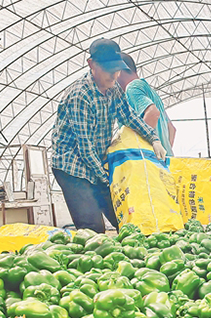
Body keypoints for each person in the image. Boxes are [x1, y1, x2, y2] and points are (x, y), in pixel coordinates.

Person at [50, 38, 167, 233]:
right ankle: (91, 244)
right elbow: (85, 148)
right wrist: (107, 180)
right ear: (92, 64)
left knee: (124, 217)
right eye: (108, 69)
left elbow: (129, 116)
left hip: (97, 162)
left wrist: (153, 138)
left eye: (117, 69)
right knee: (92, 227)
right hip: (72, 166)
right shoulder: (80, 95)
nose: (114, 75)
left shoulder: (113, 90)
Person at [116, 53, 176, 156]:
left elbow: (153, 113)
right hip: (164, 162)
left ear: (119, 71)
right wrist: (163, 154)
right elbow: (172, 129)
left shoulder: (132, 88)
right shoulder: (150, 92)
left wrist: (136, 150)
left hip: (147, 162)